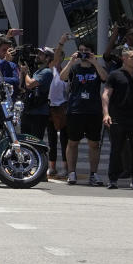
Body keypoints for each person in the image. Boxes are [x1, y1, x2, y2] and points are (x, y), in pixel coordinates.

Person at [60, 41, 108, 186]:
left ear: (92, 52)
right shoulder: (74, 68)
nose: (83, 53)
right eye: (81, 51)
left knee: (94, 143)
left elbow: (105, 78)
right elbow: (62, 77)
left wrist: (95, 62)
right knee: (73, 142)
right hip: (75, 110)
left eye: (86, 51)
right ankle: (71, 173)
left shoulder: (97, 68)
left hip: (93, 110)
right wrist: (71, 62)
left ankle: (93, 174)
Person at [102, 47, 133, 189]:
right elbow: (106, 94)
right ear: (124, 58)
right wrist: (106, 114)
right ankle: (112, 179)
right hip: (118, 117)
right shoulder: (115, 75)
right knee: (116, 148)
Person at [19, 47, 54, 144]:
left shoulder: (46, 72)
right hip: (29, 110)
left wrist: (26, 73)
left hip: (39, 113)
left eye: (41, 54)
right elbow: (22, 87)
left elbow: (30, 84)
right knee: (24, 142)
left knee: (35, 143)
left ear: (47, 58)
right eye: (37, 53)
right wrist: (23, 72)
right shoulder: (37, 72)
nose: (37, 56)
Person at [47, 34, 70, 178]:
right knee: (51, 140)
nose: (56, 57)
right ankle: (52, 167)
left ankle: (66, 168)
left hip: (63, 108)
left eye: (59, 54)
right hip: (51, 108)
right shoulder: (53, 70)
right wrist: (60, 43)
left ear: (63, 58)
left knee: (65, 140)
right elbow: (54, 59)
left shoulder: (67, 72)